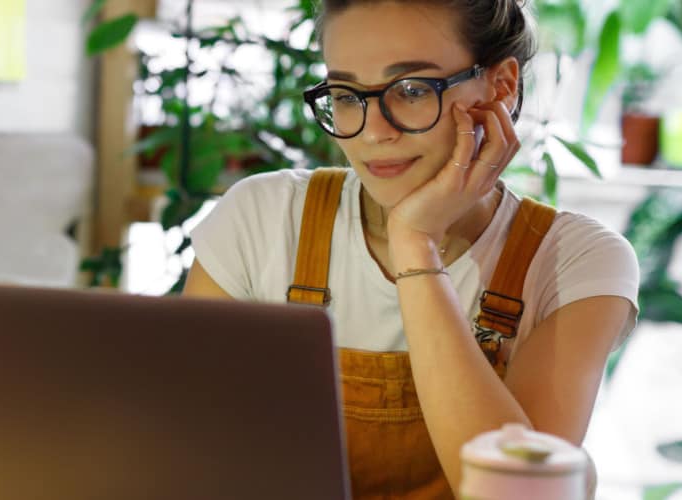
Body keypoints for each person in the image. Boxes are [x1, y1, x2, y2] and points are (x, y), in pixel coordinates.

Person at [182, 0, 640, 498]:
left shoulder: (574, 261)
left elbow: (518, 493)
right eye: (347, 94)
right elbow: (181, 447)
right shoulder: (263, 218)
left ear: (501, 86)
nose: (374, 131)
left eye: (412, 90)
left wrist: (415, 244)